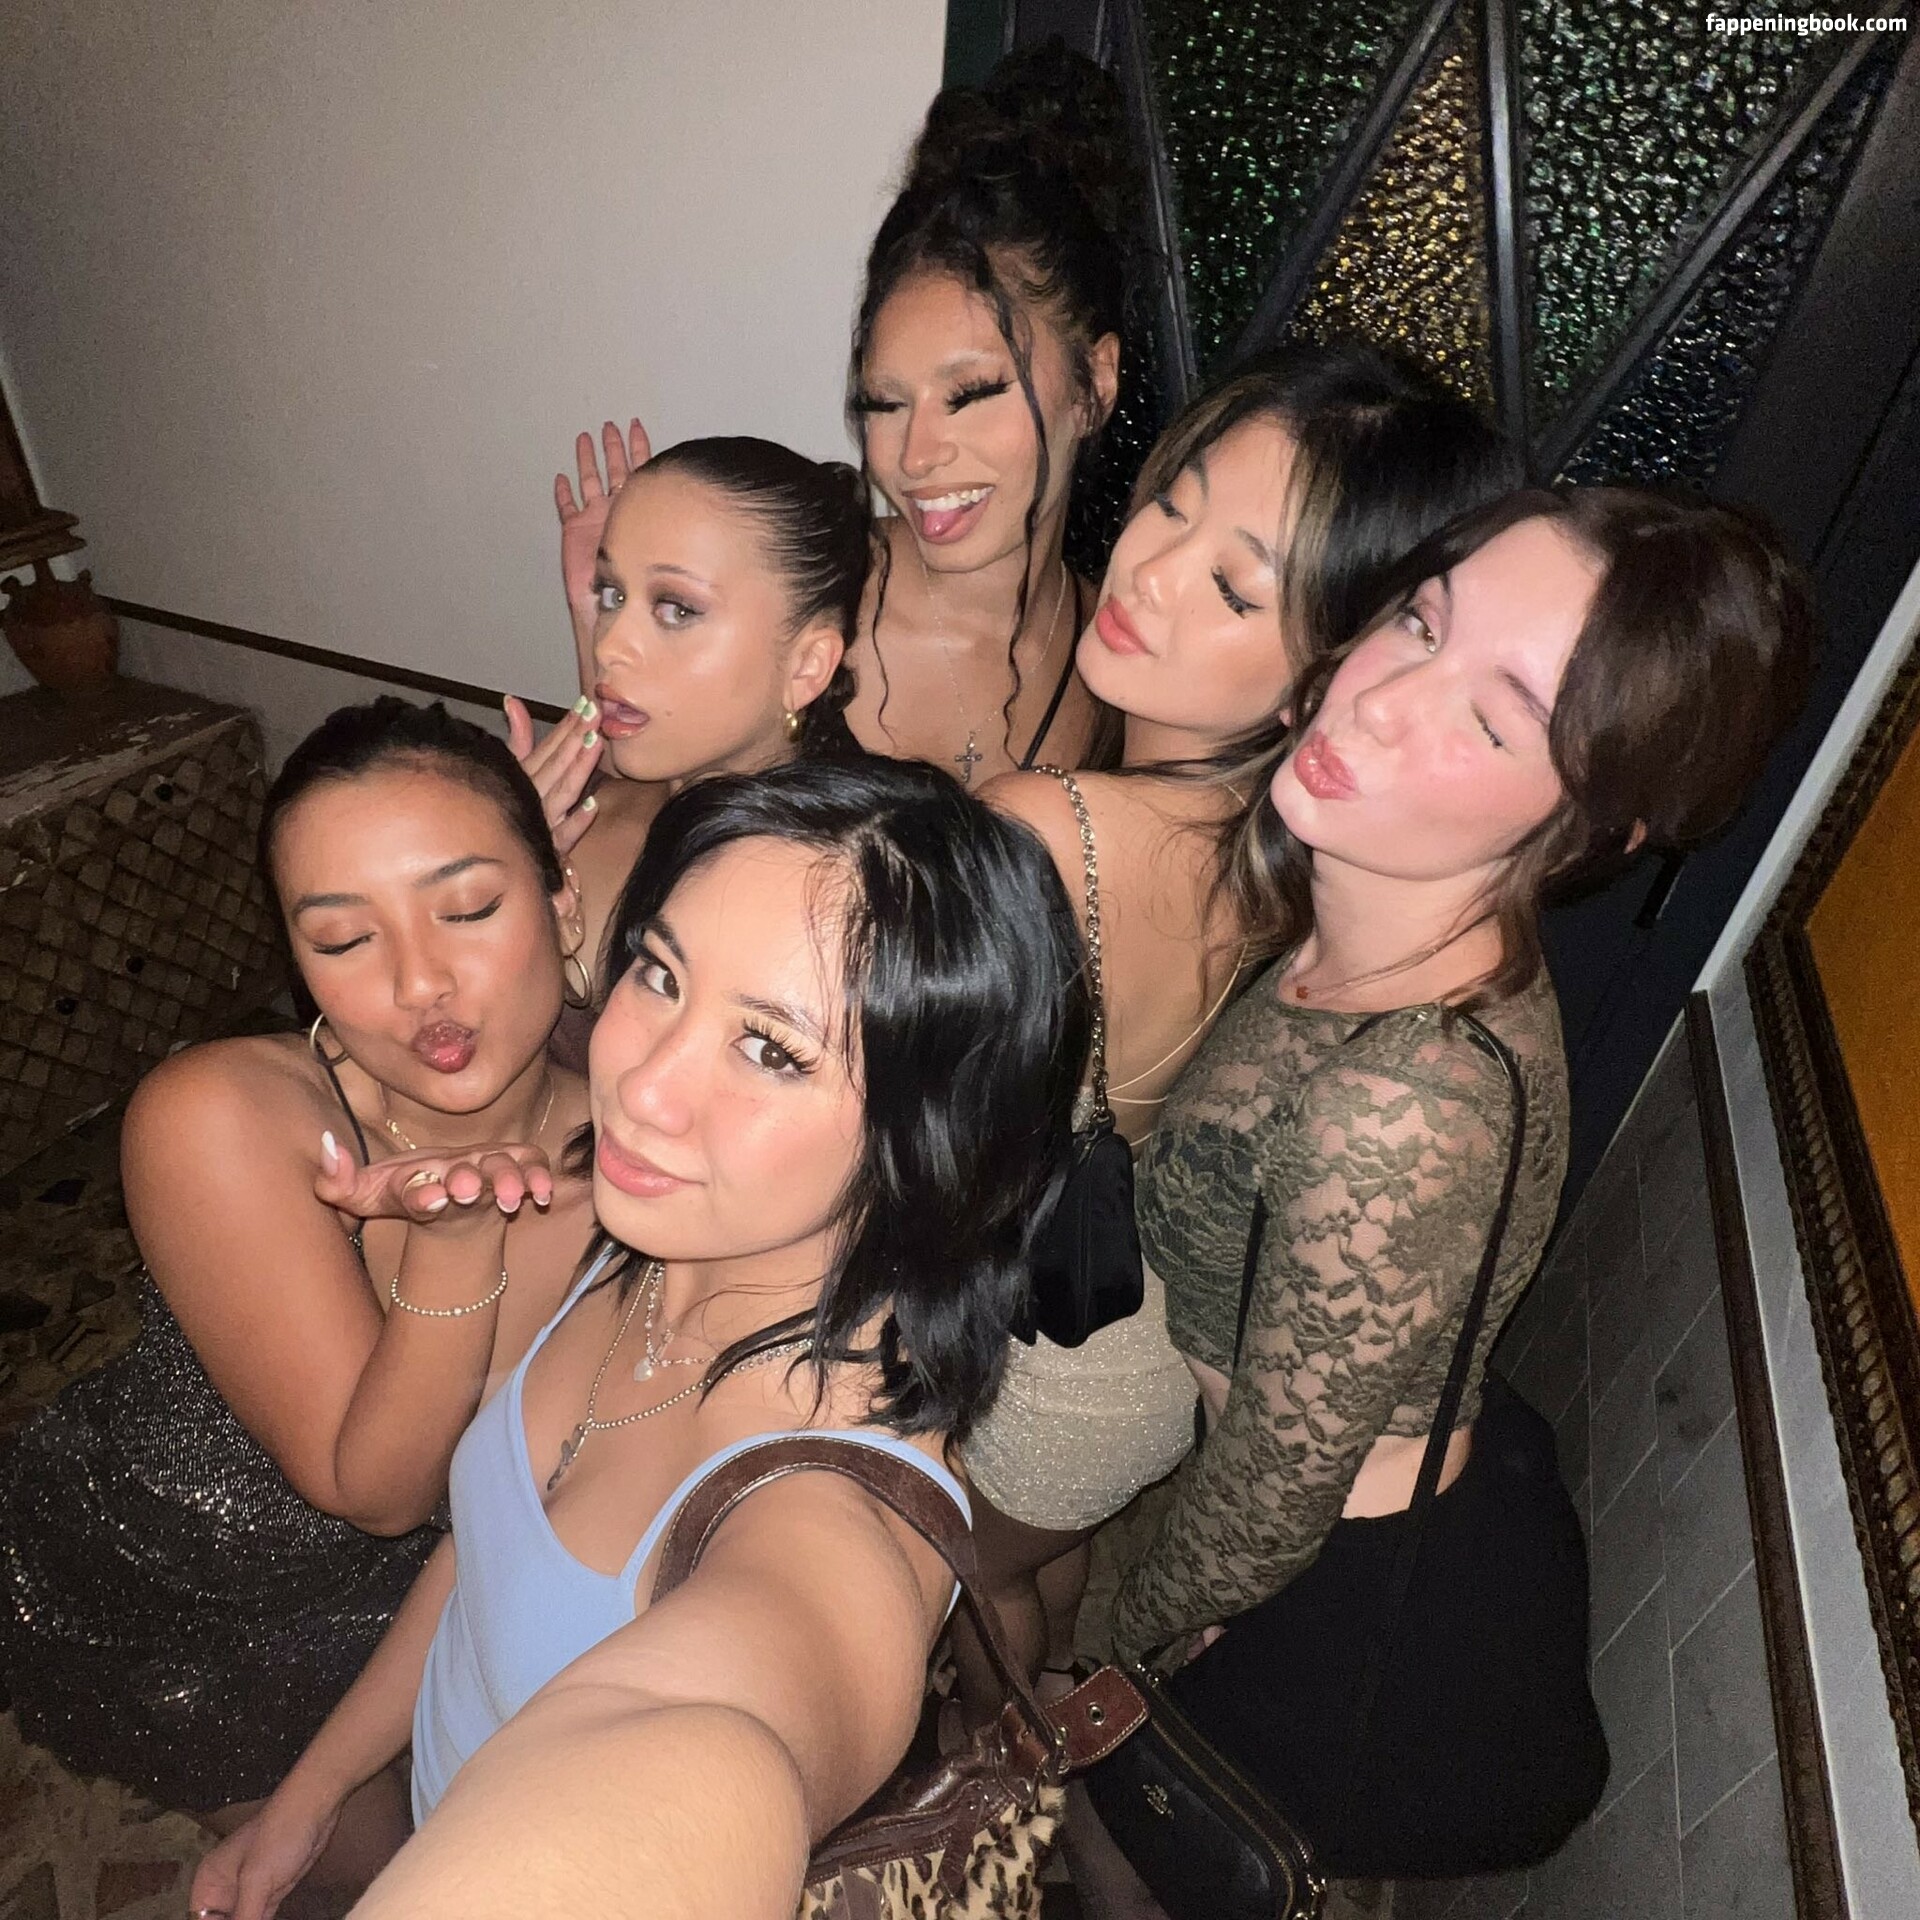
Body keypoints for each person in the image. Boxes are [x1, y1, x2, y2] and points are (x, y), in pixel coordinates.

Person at [1072, 486, 1816, 1906]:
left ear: (1602, 823)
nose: (1382, 699)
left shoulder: (1401, 1107)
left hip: (1310, 1585)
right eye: (1422, 620)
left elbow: (1270, 1500)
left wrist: (1114, 1644)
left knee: (1130, 1847)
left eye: (1492, 719)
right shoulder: (1365, 907)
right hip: (1298, 1484)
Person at [188, 757, 1090, 1920]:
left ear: (933, 1135)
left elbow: (714, 1735)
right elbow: (486, 1553)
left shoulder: (826, 1515)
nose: (643, 1084)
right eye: (660, 975)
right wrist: (314, 1792)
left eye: (772, 1049)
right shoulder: (654, 1243)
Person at [955, 346, 1524, 1704]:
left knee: (966, 1586)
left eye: (1232, 587)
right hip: (1136, 1353)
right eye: (1173, 503)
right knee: (1031, 1573)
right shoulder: (1315, 860)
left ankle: (987, 1773)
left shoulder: (1041, 832)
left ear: (1319, 674)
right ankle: (1031, 1720)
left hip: (1048, 1360)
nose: (1149, 571)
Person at [0, 699, 599, 1860]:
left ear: (562, 904)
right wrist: (455, 1244)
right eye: (343, 939)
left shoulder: (640, 1163)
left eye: (469, 908)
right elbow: (375, 1489)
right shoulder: (220, 1115)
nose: (420, 982)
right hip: (183, 1603)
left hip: (444, 1606)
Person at [543, 40, 1139, 790]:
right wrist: (597, 615)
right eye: (885, 404)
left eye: (971, 394)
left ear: (1095, 382)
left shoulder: (1125, 648)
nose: (915, 456)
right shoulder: (799, 592)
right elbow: (650, 803)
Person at [510, 435, 872, 986]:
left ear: (806, 667)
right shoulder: (579, 808)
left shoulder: (824, 902)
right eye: (612, 595)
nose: (608, 646)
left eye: (678, 609)